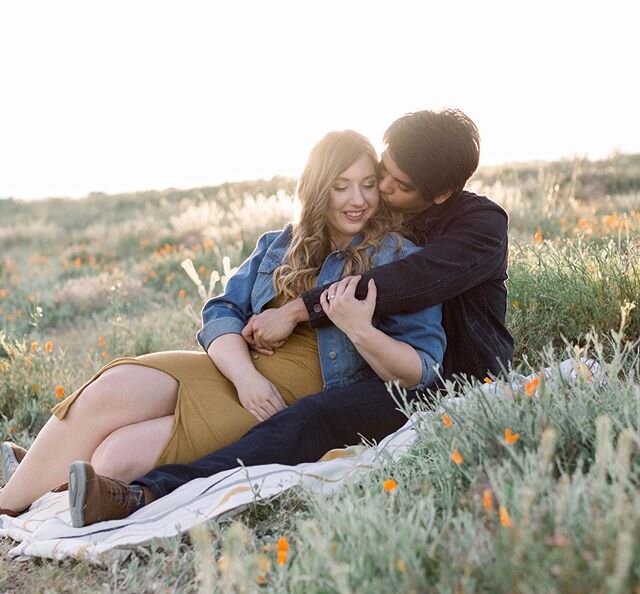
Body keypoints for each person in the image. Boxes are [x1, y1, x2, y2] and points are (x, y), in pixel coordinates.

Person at [59, 108, 514, 528]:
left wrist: (300, 311)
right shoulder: (322, 231)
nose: (382, 189)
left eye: (395, 183)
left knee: (307, 417)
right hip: (364, 361)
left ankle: (148, 494)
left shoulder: (477, 228)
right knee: (131, 395)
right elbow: (223, 308)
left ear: (439, 194)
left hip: (449, 378)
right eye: (380, 173)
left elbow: (405, 282)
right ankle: (56, 476)